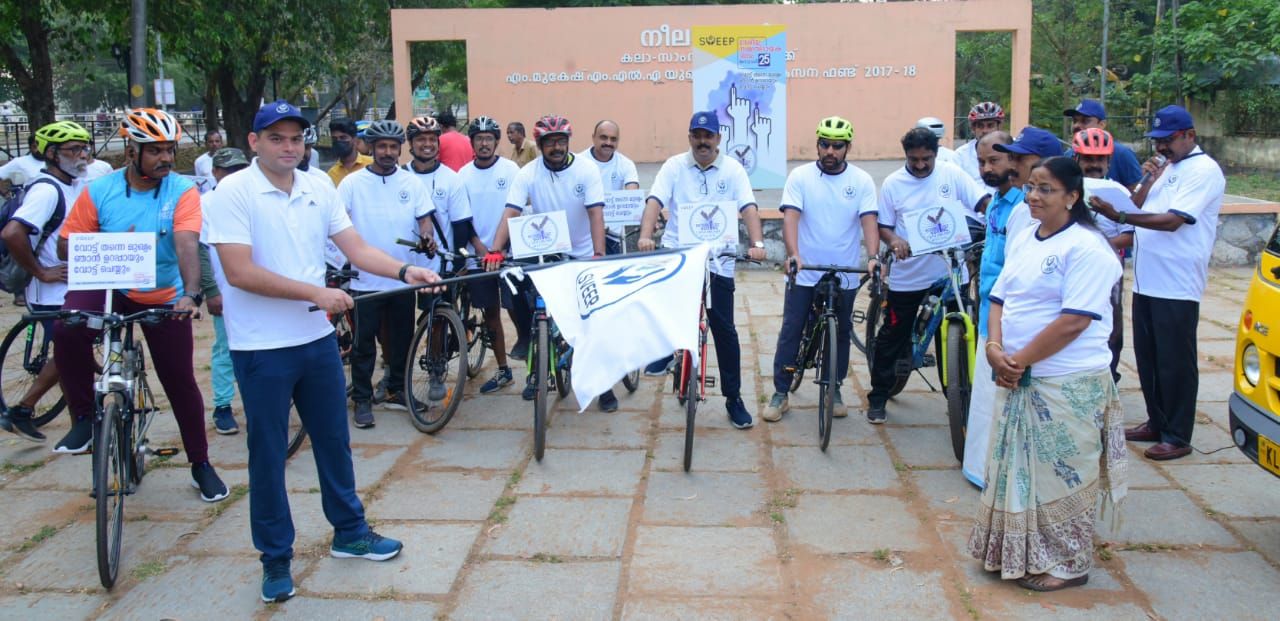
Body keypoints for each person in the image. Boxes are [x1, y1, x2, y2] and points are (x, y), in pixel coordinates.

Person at [204, 100, 439, 603]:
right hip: (262, 348)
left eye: (296, 139)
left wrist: (404, 271)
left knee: (335, 441)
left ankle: (350, 533)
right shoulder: (231, 193)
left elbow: (355, 247)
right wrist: (315, 294)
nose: (289, 147)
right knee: (268, 454)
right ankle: (275, 558)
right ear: (254, 142)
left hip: (315, 341)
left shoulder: (317, 186)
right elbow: (240, 273)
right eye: (277, 138)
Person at [53, 108, 229, 503]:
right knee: (66, 327)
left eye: (170, 150)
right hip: (108, 284)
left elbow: (187, 243)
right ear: (131, 151)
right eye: (156, 151)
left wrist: (190, 293)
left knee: (180, 380)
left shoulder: (182, 190)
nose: (166, 158)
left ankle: (201, 464)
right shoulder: (99, 189)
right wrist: (101, 243)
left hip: (160, 290)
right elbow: (67, 243)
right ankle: (83, 417)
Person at [968, 156, 1126, 592]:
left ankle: (1067, 564)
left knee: (1061, 474)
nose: (1033, 196)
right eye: (1031, 187)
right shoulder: (1026, 237)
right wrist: (995, 348)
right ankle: (1017, 551)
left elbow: (1074, 321)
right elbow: (999, 295)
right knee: (1020, 472)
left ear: (1073, 197)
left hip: (1065, 382)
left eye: (1046, 189)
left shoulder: (1089, 249)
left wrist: (1018, 362)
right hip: (1019, 373)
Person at [1090, 105, 1224, 461]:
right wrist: (1147, 179)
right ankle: (1155, 421)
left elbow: (1172, 221)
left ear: (1189, 136)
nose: (1161, 147)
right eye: (1158, 141)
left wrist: (1117, 215)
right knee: (1149, 357)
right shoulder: (1167, 169)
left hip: (1177, 281)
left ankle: (1178, 434)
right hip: (1148, 279)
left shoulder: (1204, 170)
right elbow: (1136, 204)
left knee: (1175, 360)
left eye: (1168, 141)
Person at [636, 110, 768, 429]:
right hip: (681, 255)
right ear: (690, 138)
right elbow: (654, 200)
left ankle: (733, 398)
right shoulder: (674, 166)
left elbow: (748, 207)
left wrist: (758, 243)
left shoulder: (733, 169)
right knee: (667, 308)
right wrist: (644, 236)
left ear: (718, 139)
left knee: (725, 331)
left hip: (718, 260)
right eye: (697, 135)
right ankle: (668, 351)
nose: (702, 141)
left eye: (708, 136)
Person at [481, 114, 618, 411]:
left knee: (590, 320)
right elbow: (511, 211)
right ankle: (534, 358)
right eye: (550, 142)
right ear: (540, 145)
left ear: (568, 143)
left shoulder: (586, 170)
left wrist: (597, 255)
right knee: (517, 289)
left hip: (581, 252)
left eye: (561, 141)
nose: (556, 147)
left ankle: (604, 385)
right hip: (544, 249)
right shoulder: (528, 173)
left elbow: (596, 214)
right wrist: (495, 249)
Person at [867, 127, 988, 424]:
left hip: (950, 272)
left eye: (926, 159)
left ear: (936, 154)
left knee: (957, 336)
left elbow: (982, 202)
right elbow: (884, 226)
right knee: (892, 335)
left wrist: (999, 219)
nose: (920, 165)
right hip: (909, 274)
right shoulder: (894, 184)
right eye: (914, 159)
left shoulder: (952, 174)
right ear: (905, 154)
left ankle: (958, 398)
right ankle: (878, 396)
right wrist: (895, 242)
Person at [763, 117, 879, 423]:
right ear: (817, 144)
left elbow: (869, 221)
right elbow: (791, 217)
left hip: (845, 273)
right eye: (824, 144)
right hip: (806, 270)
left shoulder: (862, 181)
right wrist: (793, 255)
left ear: (847, 148)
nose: (830, 150)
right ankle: (781, 392)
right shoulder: (800, 177)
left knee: (841, 331)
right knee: (792, 329)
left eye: (837, 146)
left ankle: (834, 388)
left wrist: (874, 256)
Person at [337, 119, 437, 428]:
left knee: (403, 341)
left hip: (401, 278)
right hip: (364, 280)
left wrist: (427, 236)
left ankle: (397, 389)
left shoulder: (411, 183)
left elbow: (425, 221)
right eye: (382, 146)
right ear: (368, 147)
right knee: (364, 344)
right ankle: (363, 399)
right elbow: (338, 226)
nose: (388, 152)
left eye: (394, 147)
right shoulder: (351, 184)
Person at [0, 121, 92, 441]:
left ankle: (82, 417)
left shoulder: (74, 183)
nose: (82, 155)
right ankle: (23, 409)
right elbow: (13, 233)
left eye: (85, 148)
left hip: (72, 286)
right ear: (51, 154)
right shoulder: (46, 190)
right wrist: (40, 271)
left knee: (79, 350)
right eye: (74, 150)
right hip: (51, 290)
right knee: (70, 353)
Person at [962, 130, 1022, 487]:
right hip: (987, 307)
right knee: (984, 395)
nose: (986, 168)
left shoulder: (1023, 207)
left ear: (1013, 160)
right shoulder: (996, 203)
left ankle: (1000, 474)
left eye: (994, 160)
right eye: (982, 162)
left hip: (1009, 314)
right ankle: (980, 468)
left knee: (1001, 394)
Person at [457, 116, 520, 394]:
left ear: (496, 141)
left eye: (489, 138)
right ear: (472, 143)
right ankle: (503, 369)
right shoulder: (462, 175)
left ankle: (533, 364)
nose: (484, 143)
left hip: (508, 254)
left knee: (520, 310)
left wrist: (501, 247)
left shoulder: (511, 169)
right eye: (479, 138)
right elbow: (462, 216)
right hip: (477, 256)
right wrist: (480, 248)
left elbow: (517, 209)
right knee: (491, 313)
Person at [1073, 128, 1134, 385]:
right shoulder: (1067, 189)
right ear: (1076, 160)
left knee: (1111, 328)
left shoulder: (1118, 192)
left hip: (1108, 269)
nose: (1094, 165)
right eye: (1088, 158)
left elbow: (1131, 235)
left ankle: (1109, 378)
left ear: (1109, 162)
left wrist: (1098, 245)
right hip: (1072, 267)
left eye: (1100, 159)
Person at [200, 147, 251, 435]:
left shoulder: (251, 198)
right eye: (228, 170)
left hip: (256, 286)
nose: (234, 175)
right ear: (215, 173)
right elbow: (201, 250)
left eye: (239, 169)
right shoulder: (207, 203)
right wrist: (210, 290)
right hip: (225, 287)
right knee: (225, 348)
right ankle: (222, 405)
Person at [581, 120, 640, 255]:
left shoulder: (626, 164)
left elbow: (632, 197)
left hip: (614, 235)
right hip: (585, 234)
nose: (608, 142)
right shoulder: (580, 163)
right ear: (593, 137)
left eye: (613, 139)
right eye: (603, 137)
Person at [996, 127, 1065, 237]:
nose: (1011, 166)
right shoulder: (1019, 209)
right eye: (1011, 158)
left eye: (1020, 158)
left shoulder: (1061, 217)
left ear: (1047, 161)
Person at [1064, 99, 1143, 188]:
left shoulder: (1122, 154)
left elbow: (1137, 193)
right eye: (1075, 121)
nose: (1076, 126)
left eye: (1085, 121)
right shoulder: (1068, 154)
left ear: (1102, 124)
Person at [954, 102, 1005, 184]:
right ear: (973, 128)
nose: (985, 131)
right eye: (980, 126)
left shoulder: (1010, 149)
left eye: (990, 125)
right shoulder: (961, 155)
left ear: (999, 127)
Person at [327, 119, 372, 187]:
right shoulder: (331, 174)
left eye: (343, 137)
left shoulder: (372, 164)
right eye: (334, 139)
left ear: (355, 139)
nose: (339, 142)